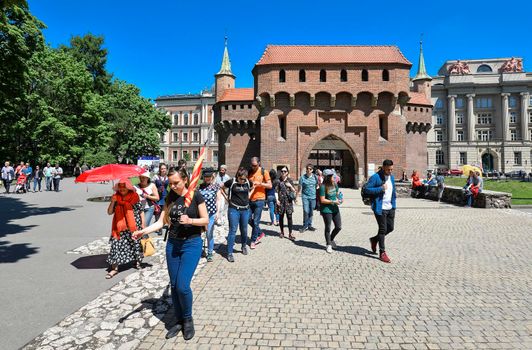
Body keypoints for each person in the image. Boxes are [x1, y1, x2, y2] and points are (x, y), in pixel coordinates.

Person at [133, 167, 209, 341]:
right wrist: (143, 231)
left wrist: (190, 220)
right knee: (174, 286)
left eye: (176, 183)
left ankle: (188, 319)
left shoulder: (195, 195)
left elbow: (205, 219)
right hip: (173, 244)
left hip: (192, 244)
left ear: (185, 180)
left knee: (182, 285)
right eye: (170, 183)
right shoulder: (169, 197)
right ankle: (179, 319)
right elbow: (161, 222)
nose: (173, 186)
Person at [106, 178, 144, 279]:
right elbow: (109, 212)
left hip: (134, 224)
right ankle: (114, 268)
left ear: (128, 188)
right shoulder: (116, 197)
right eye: (120, 187)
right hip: (119, 225)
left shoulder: (135, 196)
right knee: (116, 245)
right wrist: (113, 202)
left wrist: (143, 226)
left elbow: (141, 211)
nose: (122, 189)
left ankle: (137, 262)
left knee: (135, 243)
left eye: (124, 187)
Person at [365, 159, 397, 263]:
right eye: (388, 169)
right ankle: (382, 252)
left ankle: (374, 239)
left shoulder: (391, 177)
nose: (390, 171)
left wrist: (394, 205)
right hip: (380, 207)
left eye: (391, 169)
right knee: (382, 229)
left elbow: (393, 192)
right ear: (383, 167)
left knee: (390, 228)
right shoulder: (375, 177)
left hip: (390, 207)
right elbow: (367, 189)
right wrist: (380, 188)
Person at [220, 167, 252, 262]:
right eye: (241, 178)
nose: (242, 180)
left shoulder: (248, 182)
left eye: (244, 179)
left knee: (244, 229)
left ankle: (243, 246)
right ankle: (229, 252)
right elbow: (222, 187)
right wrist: (226, 198)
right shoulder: (232, 181)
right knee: (233, 230)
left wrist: (249, 197)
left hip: (245, 210)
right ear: (237, 176)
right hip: (234, 209)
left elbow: (251, 188)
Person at [248, 157, 271, 249]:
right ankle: (260, 232)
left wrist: (260, 184)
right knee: (248, 219)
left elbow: (270, 185)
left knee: (256, 221)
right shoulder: (249, 172)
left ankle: (253, 240)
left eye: (255, 165)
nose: (253, 167)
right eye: (252, 165)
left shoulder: (264, 172)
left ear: (259, 163)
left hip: (260, 199)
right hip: (250, 199)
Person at [199, 168, 222, 262]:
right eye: (205, 177)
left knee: (209, 234)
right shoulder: (200, 187)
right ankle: (200, 250)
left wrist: (218, 212)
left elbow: (218, 200)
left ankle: (209, 253)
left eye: (209, 176)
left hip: (211, 214)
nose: (207, 178)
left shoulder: (216, 187)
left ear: (212, 176)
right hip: (200, 214)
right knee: (198, 234)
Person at [319, 169, 343, 253]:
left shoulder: (334, 184)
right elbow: (322, 200)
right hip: (326, 210)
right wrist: (333, 201)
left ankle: (331, 239)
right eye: (333, 176)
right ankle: (328, 244)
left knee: (338, 226)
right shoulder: (323, 186)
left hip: (335, 208)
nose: (335, 177)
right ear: (328, 177)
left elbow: (337, 194)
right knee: (328, 227)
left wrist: (340, 198)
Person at [275, 167, 297, 240]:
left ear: (287, 172)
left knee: (289, 217)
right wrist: (277, 200)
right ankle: (282, 232)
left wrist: (290, 186)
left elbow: (294, 191)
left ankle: (290, 233)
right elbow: (275, 191)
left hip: (288, 201)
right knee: (281, 217)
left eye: (285, 171)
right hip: (281, 201)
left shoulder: (290, 180)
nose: (283, 172)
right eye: (282, 171)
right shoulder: (278, 181)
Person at [298, 164, 319, 232]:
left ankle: (309, 225)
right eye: (307, 168)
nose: (308, 170)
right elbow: (300, 186)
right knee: (306, 210)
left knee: (311, 211)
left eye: (310, 169)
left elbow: (317, 185)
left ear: (312, 170)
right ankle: (305, 225)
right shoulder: (302, 178)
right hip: (305, 197)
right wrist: (298, 193)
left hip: (313, 197)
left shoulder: (315, 177)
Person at [152, 163, 169, 235]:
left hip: (165, 196)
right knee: (157, 212)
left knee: (163, 212)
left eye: (164, 168)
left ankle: (161, 225)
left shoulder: (168, 177)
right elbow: (152, 185)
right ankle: (159, 228)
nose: (163, 170)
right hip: (157, 196)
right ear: (159, 169)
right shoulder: (155, 177)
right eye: (162, 168)